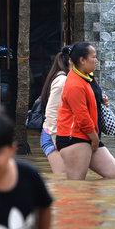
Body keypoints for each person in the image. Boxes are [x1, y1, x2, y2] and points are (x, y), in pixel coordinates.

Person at [55, 42, 115, 181]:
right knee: (77, 187)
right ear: (82, 60)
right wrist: (94, 138)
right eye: (94, 57)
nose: (96, 60)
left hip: (88, 136)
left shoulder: (86, 77)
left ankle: (92, 201)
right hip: (74, 138)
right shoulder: (74, 84)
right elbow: (82, 117)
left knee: (114, 174)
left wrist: (101, 100)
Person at [39, 46, 70, 174]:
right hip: (52, 135)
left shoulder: (60, 78)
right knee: (62, 179)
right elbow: (51, 112)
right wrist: (55, 138)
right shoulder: (62, 80)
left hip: (56, 134)